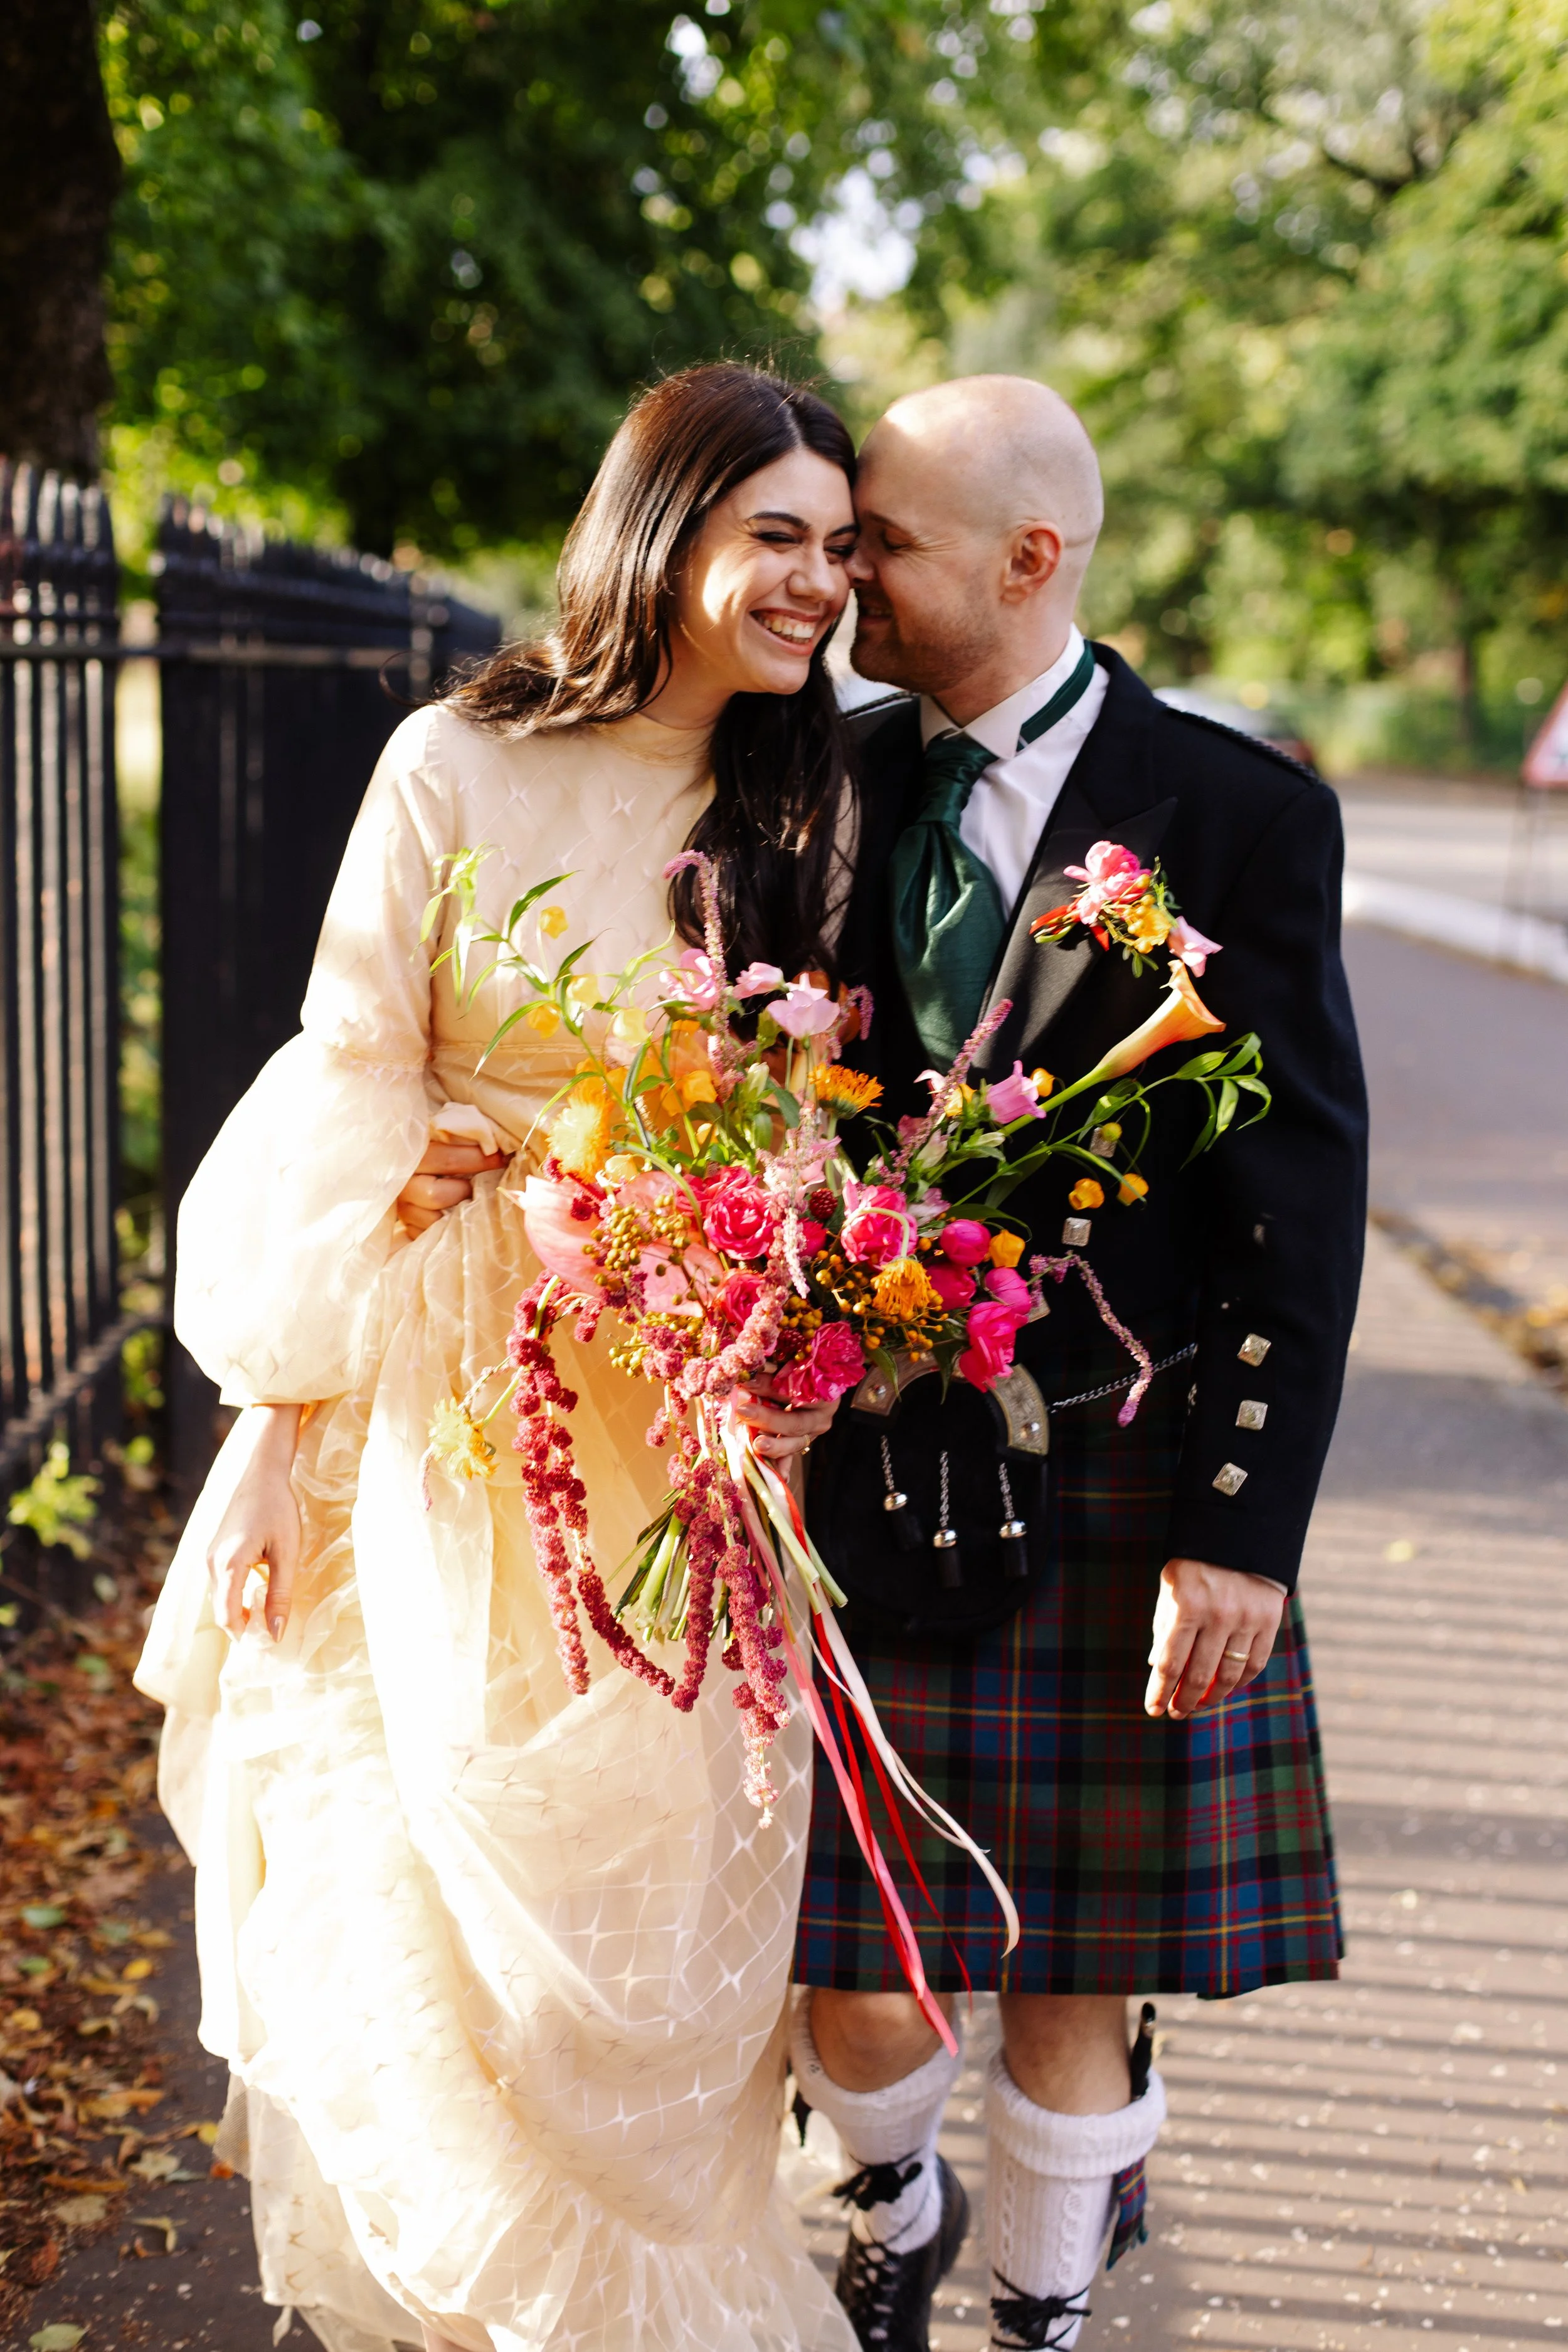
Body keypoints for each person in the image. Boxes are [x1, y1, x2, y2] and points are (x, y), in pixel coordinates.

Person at [134, 363, 869, 2352]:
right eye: (773, 535)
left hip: (682, 1403)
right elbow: (354, 1079)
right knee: (428, 1871)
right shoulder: (449, 758)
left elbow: (806, 1125)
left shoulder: (814, 797)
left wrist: (786, 1337)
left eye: (837, 544)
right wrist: (271, 1436)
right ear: (668, 531)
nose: (818, 581)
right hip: (444, 1387)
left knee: (652, 1914)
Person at [788, 376, 1365, 2352]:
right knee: (842, 1962)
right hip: (841, 1463)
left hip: (1117, 1458)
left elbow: (1298, 1190)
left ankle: (1034, 2308)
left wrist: (1243, 1527)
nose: (846, 571)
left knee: (1065, 1967)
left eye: (883, 543)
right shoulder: (813, 781)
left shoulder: (1240, 814)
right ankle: (891, 2187)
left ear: (1031, 561)